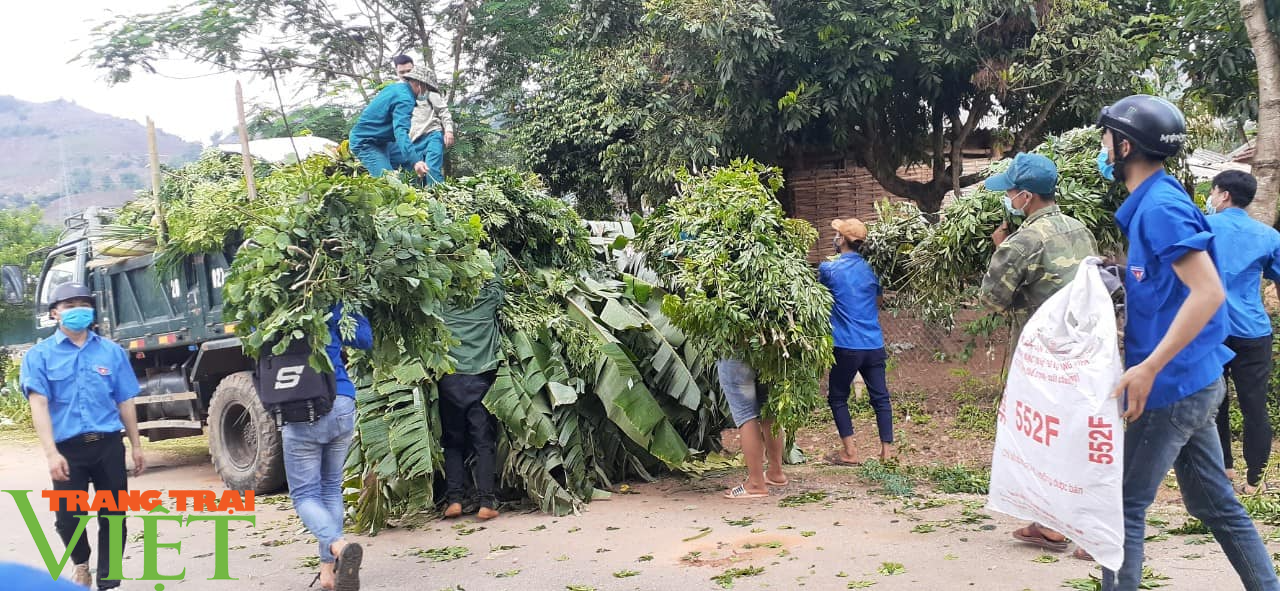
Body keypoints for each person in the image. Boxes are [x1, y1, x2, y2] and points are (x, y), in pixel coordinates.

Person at [1096, 94, 1279, 591]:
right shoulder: (1159, 200)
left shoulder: (1161, 207)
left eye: (1106, 138)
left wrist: (1149, 367)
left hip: (1172, 387)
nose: (1102, 146)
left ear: (1126, 145)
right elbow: (1168, 282)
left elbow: (1207, 290)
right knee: (1214, 503)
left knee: (1124, 506)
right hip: (1195, 381)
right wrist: (1115, 276)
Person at [976, 152, 1099, 561]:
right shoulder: (1082, 230)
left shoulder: (1025, 240)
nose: (1007, 197)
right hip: (1084, 349)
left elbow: (992, 299)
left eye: (1010, 191)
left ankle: (1074, 528)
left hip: (1042, 356)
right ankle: (1051, 524)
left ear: (1026, 196)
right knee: (1073, 432)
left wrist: (1001, 248)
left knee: (1043, 434)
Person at [20, 283, 144, 590]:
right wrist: (51, 453)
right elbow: (39, 404)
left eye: (83, 303)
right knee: (67, 519)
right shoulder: (39, 356)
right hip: (67, 450)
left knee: (113, 516)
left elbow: (125, 401)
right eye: (69, 304)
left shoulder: (111, 352)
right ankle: (81, 563)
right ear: (54, 313)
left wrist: (136, 445)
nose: (78, 309)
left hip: (107, 445)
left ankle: (108, 582)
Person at [282, 304, 372, 591]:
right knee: (331, 487)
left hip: (299, 409)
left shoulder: (272, 311)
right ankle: (329, 572)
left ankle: (338, 544)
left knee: (305, 494)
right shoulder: (332, 305)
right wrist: (354, 307)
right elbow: (365, 339)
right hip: (341, 401)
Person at [1203, 170, 1280, 496]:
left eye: (1213, 191)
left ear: (1224, 195)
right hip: (1253, 331)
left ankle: (1224, 472)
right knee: (1254, 406)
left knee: (1213, 402)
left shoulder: (1204, 227)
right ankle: (1255, 480)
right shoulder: (1268, 236)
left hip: (1211, 329)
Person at [818, 217, 893, 465]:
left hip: (845, 344)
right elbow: (878, 302)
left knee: (837, 397)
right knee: (880, 397)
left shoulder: (828, 269)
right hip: (873, 343)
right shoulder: (872, 270)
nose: (835, 238)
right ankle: (887, 453)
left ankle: (850, 452)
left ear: (841, 240)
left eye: (837, 234)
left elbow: (820, 300)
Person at [439, 254, 505, 520]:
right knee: (483, 441)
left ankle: (454, 499)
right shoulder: (487, 301)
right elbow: (498, 287)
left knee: (453, 441)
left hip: (450, 380)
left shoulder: (443, 304)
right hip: (481, 379)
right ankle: (486, 503)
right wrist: (496, 261)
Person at [348, 64, 435, 178]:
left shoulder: (396, 88)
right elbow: (400, 132)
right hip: (366, 142)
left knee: (410, 162)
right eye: (428, 88)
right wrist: (416, 161)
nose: (427, 92)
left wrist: (414, 160)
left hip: (384, 141)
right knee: (388, 181)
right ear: (419, 84)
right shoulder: (405, 100)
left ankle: (415, 192)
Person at [718, 359, 788, 499]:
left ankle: (755, 484)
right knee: (768, 411)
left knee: (745, 415)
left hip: (735, 352)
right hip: (768, 352)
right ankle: (776, 473)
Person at [390, 55, 455, 185]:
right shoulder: (396, 93)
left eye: (408, 71)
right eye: (401, 72)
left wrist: (448, 130)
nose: (405, 75)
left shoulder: (426, 89)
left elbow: (443, 111)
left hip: (432, 135)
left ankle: (440, 201)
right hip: (412, 142)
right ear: (396, 72)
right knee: (413, 179)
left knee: (432, 172)